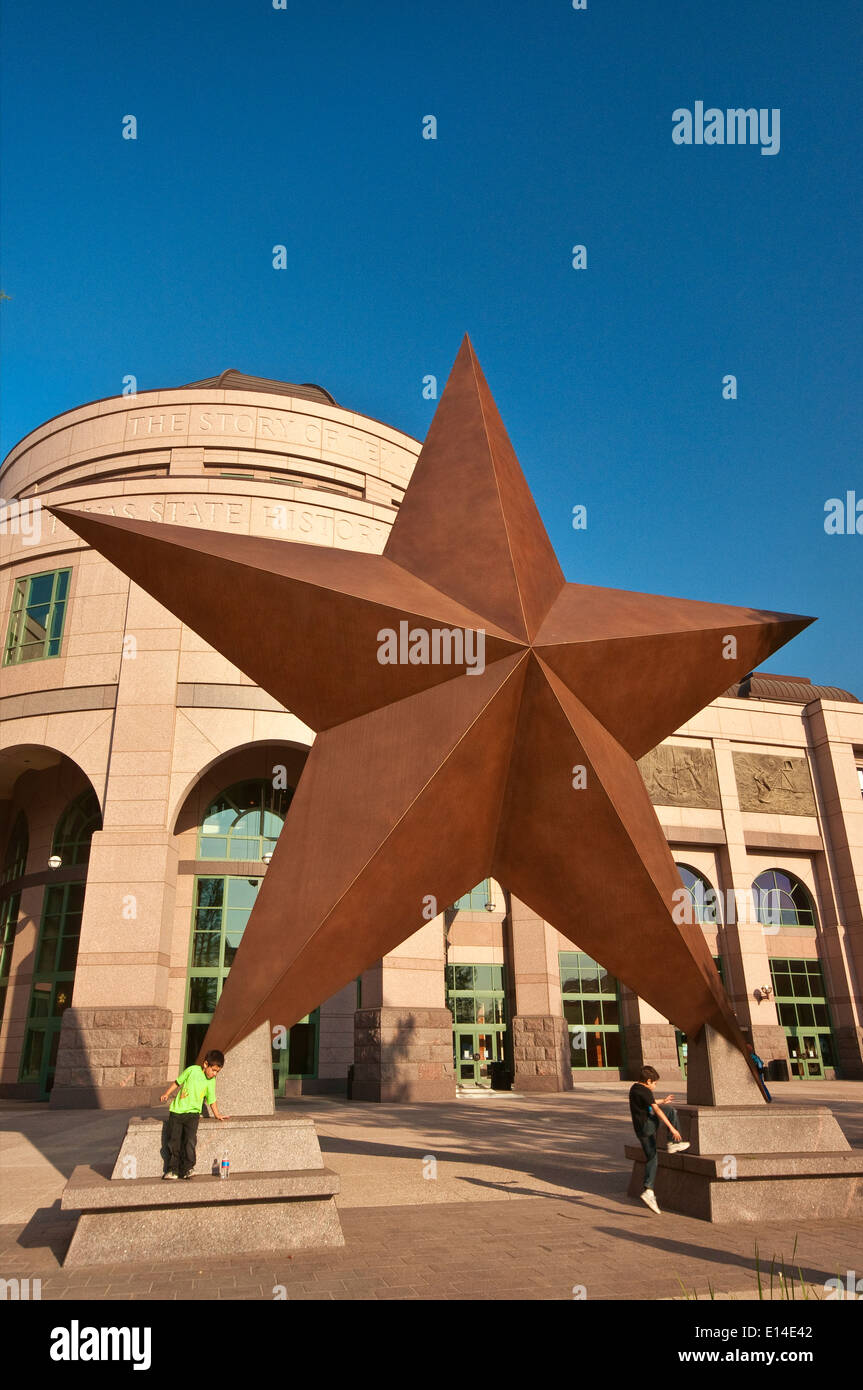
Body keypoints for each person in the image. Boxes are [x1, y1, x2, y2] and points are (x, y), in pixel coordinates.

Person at [159, 1050, 229, 1179]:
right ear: (205, 1064)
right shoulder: (192, 1070)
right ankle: (173, 1170)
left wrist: (217, 1114)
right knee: (174, 1142)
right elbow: (177, 1082)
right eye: (213, 1070)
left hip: (193, 1115)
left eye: (217, 1072)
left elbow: (212, 1099)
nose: (214, 1074)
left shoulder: (211, 1081)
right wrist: (167, 1094)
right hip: (177, 1112)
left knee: (190, 1142)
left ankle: (188, 1169)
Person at [629, 1064, 689, 1214]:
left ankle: (648, 1191)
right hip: (647, 1127)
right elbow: (655, 1109)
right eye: (655, 1083)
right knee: (670, 1111)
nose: (655, 1085)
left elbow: (650, 1103)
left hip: (640, 1131)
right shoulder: (645, 1091)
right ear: (648, 1081)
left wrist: (663, 1100)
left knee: (652, 1157)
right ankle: (673, 1143)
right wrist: (672, 1128)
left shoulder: (635, 1088)